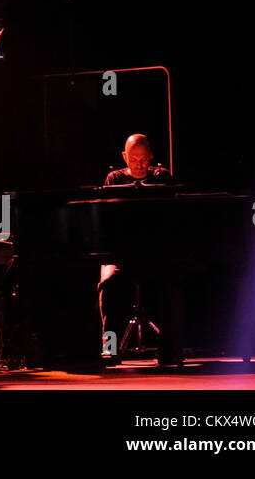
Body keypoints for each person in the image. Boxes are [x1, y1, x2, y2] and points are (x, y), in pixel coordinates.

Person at [98, 133, 181, 365]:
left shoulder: (162, 177)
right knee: (109, 283)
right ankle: (110, 348)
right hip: (121, 254)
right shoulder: (113, 179)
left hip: (156, 254)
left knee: (170, 281)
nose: (139, 164)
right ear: (124, 156)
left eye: (144, 159)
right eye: (134, 159)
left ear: (151, 156)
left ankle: (169, 348)